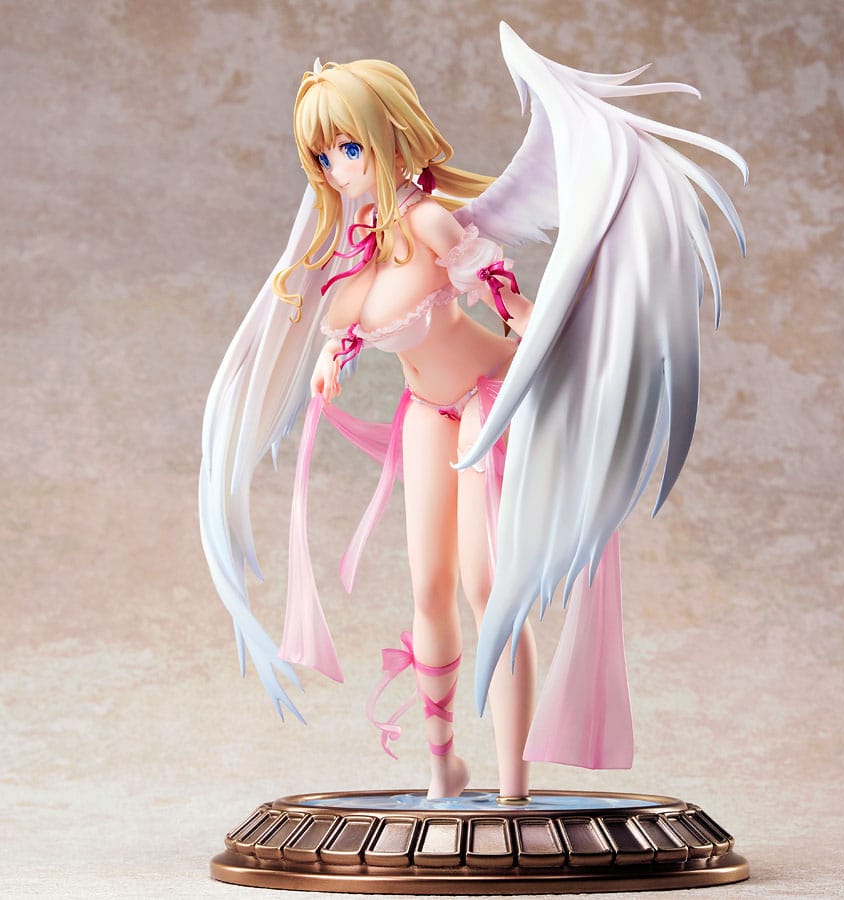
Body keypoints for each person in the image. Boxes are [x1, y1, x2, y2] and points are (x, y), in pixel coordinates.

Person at [200, 23, 747, 801]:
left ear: (389, 137)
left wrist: (547, 328)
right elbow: (361, 321)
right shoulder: (359, 243)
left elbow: (493, 289)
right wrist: (332, 357)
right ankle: (443, 770)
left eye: (348, 148)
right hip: (428, 411)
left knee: (490, 588)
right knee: (429, 589)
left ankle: (515, 787)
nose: (337, 169)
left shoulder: (427, 221)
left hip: (493, 397)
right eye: (322, 157)